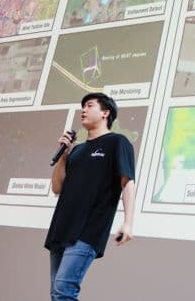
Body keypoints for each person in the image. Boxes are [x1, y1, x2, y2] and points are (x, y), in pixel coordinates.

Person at [44, 93, 136, 301]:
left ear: (105, 113)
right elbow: (57, 187)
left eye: (89, 105)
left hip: (87, 231)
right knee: (57, 294)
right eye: (82, 106)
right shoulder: (76, 150)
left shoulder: (117, 142)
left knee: (63, 291)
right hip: (61, 229)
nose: (83, 110)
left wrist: (128, 222)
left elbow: (127, 181)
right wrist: (64, 155)